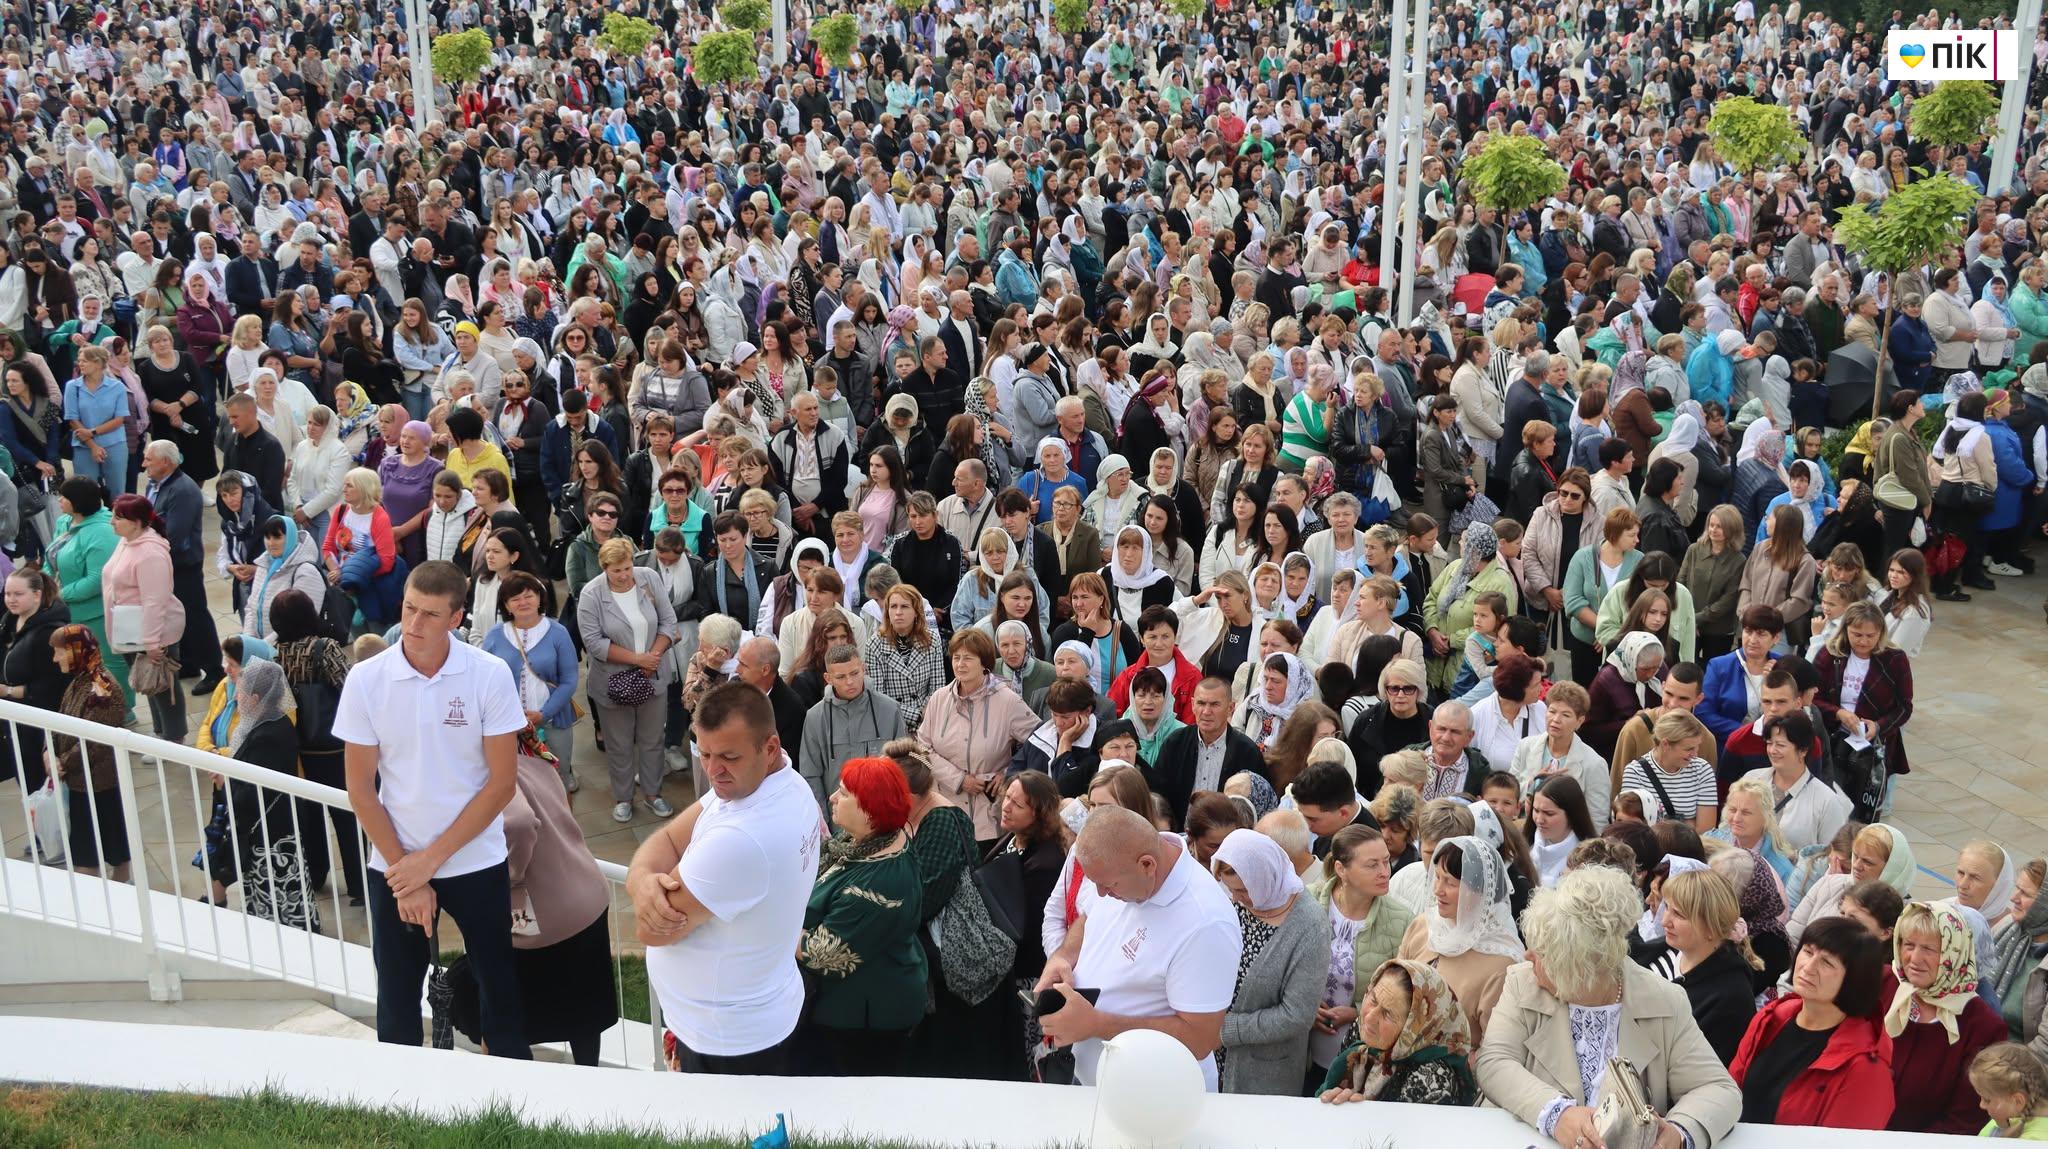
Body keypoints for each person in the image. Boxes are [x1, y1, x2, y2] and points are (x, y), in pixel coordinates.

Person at [334, 560, 531, 1059]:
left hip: (475, 861)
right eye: (408, 608)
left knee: (499, 992)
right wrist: (410, 871)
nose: (413, 625)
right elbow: (359, 787)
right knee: (396, 1000)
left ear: (457, 617)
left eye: (429, 614)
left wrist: (429, 862)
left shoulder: (488, 674)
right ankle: (403, 1106)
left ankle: (520, 1103)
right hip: (395, 864)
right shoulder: (366, 679)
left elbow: (502, 785)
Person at [630, 681, 825, 1075]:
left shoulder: (743, 840)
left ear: (769, 748)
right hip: (750, 1013)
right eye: (704, 754)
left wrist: (651, 877)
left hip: (727, 1038)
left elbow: (653, 932)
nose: (713, 770)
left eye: (729, 757)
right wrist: (642, 879)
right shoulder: (781, 781)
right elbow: (669, 836)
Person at [1475, 863, 1743, 1149]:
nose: (1529, 957)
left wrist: (1678, 1133)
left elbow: (1718, 1088)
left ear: (1582, 968)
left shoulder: (1663, 1000)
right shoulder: (1523, 983)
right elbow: (1494, 1062)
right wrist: (1557, 1114)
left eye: (1545, 954)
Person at [1034, 804, 1243, 1092]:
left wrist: (1096, 1024)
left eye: (1108, 885)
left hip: (1156, 1097)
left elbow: (1200, 1038)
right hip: (1095, 1079)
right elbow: (1088, 916)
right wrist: (1063, 957)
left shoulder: (1206, 921)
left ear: (1148, 865)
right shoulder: (1121, 865)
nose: (1101, 893)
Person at [800, 756, 927, 1075]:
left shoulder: (880, 885)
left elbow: (823, 956)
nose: (832, 797)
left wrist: (776, 926)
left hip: (866, 1019)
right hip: (853, 1008)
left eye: (843, 794)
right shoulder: (868, 840)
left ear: (870, 810)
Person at [1728, 915, 1895, 1127]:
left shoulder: (1865, 1069)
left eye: (1826, 962)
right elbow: (1730, 1092)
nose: (1808, 967)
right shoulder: (1771, 1016)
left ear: (1855, 979)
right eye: (1808, 951)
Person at [1209, 827, 1331, 1095]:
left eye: (1244, 890)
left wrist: (1224, 1030)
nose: (1237, 898)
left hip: (1265, 1074)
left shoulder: (1309, 927)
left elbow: (1297, 1015)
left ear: (1264, 878)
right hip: (1213, 1057)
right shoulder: (1237, 906)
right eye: (1231, 890)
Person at [1886, 900, 2009, 1134]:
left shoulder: (1982, 1026)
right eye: (1909, 944)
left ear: (1954, 954)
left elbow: (1964, 1120)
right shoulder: (1884, 987)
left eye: (1930, 949)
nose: (1914, 958)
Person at [1308, 824, 1416, 1084]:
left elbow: (1406, 993)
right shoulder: (1307, 903)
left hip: (1363, 1052)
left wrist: (1357, 1011)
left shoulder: (1401, 920)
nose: (1384, 872)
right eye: (1372, 865)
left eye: (1386, 862)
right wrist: (1305, 1008)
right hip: (1301, 1047)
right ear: (1340, 869)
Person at [918, 629, 1039, 848]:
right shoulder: (939, 698)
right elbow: (923, 747)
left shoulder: (1008, 701)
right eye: (956, 657)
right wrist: (958, 779)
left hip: (989, 817)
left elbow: (1039, 741)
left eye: (968, 658)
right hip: (944, 813)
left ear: (984, 662)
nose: (960, 664)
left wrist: (1009, 773)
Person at [983, 769, 1069, 1080]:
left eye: (1018, 805)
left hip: (1029, 973)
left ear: (1039, 814)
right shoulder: (1013, 837)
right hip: (1010, 966)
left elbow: (1030, 924)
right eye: (1007, 798)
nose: (1007, 807)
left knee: (1027, 1055)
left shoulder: (1046, 861)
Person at [1395, 836, 1521, 1043]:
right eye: (1437, 877)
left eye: (1451, 883)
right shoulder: (1423, 926)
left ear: (1480, 890)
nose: (1437, 890)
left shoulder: (1502, 964)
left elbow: (1496, 1048)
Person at [1318, 958, 1481, 1106]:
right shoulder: (1361, 1031)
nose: (1369, 1017)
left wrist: (1361, 1116)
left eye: (1387, 1014)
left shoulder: (1432, 1082)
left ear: (1415, 1028)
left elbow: (1405, 1138)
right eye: (1373, 1000)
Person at [48, 623, 134, 881]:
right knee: (90, 847)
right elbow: (61, 720)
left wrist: (62, 762)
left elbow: (96, 740)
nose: (55, 658)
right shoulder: (79, 681)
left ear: (76, 651)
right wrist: (49, 751)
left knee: (107, 846)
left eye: (59, 652)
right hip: (80, 780)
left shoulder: (103, 687)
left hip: (98, 783)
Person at [1655, 867, 1763, 1064]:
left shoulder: (1730, 998)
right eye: (1667, 907)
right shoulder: (1664, 949)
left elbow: (1703, 1072)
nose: (1665, 921)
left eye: (1678, 914)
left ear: (1710, 928)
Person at [99, 493, 185, 740]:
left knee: (163, 687)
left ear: (136, 522)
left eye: (118, 518)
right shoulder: (127, 541)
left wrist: (151, 642)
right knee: (148, 684)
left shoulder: (150, 553)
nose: (112, 522)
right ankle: (161, 734)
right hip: (130, 629)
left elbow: (154, 601)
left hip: (151, 632)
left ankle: (173, 739)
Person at [139, 440, 224, 691]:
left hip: (183, 565)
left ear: (166, 462)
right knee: (177, 615)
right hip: (164, 563)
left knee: (195, 615)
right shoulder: (155, 484)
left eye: (148, 459)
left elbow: (174, 536)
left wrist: (146, 544)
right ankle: (188, 661)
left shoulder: (183, 490)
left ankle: (214, 669)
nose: (144, 464)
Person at [46, 476, 130, 708]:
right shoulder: (66, 521)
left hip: (97, 613)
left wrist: (60, 593)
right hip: (71, 611)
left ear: (79, 502)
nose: (59, 499)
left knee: (108, 664)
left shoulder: (102, 532)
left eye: (65, 497)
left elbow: (96, 580)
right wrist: (45, 582)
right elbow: (51, 555)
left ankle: (121, 710)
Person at [798, 643, 906, 812]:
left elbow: (902, 767)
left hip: (882, 817)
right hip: (838, 824)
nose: (850, 682)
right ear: (828, 678)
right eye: (841, 677)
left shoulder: (890, 710)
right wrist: (823, 824)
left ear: (864, 669)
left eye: (855, 673)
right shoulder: (815, 718)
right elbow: (811, 775)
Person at [1151, 676, 1268, 828]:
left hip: (1226, 838)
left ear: (1231, 708)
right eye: (1201, 703)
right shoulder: (1175, 743)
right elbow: (1159, 794)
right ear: (1193, 704)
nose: (1206, 711)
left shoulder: (1247, 752)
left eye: (1215, 705)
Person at [1969, 1043, 2048, 1139]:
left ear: (2018, 1101)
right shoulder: (2007, 1117)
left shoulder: (2036, 1142)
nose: (1982, 1105)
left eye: (1987, 1100)